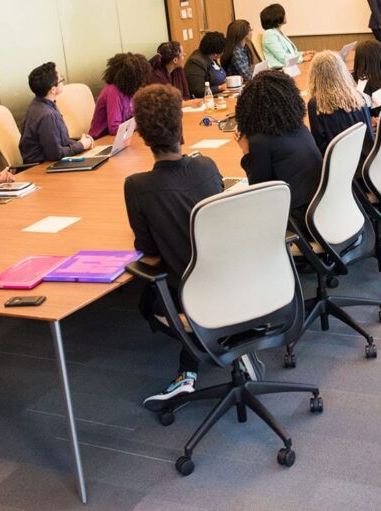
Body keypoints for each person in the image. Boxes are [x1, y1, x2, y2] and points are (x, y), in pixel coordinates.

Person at [123, 84, 225, 408]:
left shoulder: (137, 186)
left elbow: (147, 249)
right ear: (181, 127)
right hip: (236, 280)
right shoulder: (207, 166)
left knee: (144, 303)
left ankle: (195, 351)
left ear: (141, 134)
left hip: (192, 296)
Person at [235, 70, 320, 233]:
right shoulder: (300, 127)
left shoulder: (260, 141)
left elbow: (259, 192)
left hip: (297, 220)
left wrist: (246, 152)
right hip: (320, 208)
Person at [19, 62, 93, 164]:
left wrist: (80, 143)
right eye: (61, 79)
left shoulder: (40, 104)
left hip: (48, 163)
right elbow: (55, 154)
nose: (63, 81)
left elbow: (58, 141)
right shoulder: (47, 115)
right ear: (53, 90)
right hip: (41, 168)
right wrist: (81, 145)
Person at [307, 51, 374, 160]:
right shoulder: (357, 96)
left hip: (339, 164)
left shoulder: (317, 104)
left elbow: (319, 145)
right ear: (342, 71)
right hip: (367, 159)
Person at [89, 53, 150, 139]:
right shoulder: (113, 92)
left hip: (120, 138)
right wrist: (140, 123)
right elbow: (115, 129)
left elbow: (132, 116)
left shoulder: (128, 90)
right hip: (102, 139)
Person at [259, 3, 312, 69]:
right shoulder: (269, 34)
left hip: (288, 67)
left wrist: (303, 54)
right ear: (277, 17)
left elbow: (289, 54)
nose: (285, 16)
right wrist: (302, 58)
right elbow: (283, 58)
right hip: (280, 70)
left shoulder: (277, 32)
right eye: (283, 14)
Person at [184, 31, 228, 99]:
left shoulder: (211, 57)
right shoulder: (195, 63)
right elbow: (198, 91)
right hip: (205, 101)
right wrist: (220, 88)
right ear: (216, 54)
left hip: (219, 95)